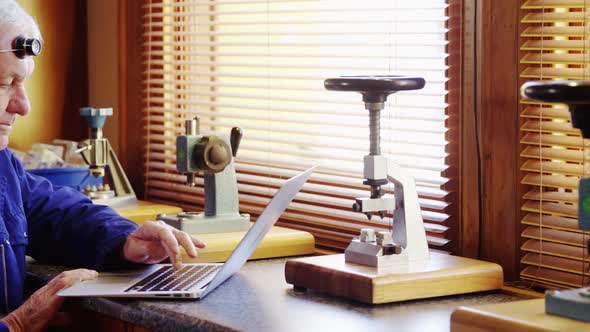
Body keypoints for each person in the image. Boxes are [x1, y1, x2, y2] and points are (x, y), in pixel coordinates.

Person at [0, 1, 205, 331]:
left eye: (22, 83)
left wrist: (126, 241)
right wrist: (21, 322)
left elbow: (59, 214)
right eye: (4, 83)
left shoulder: (3, 168)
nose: (23, 106)